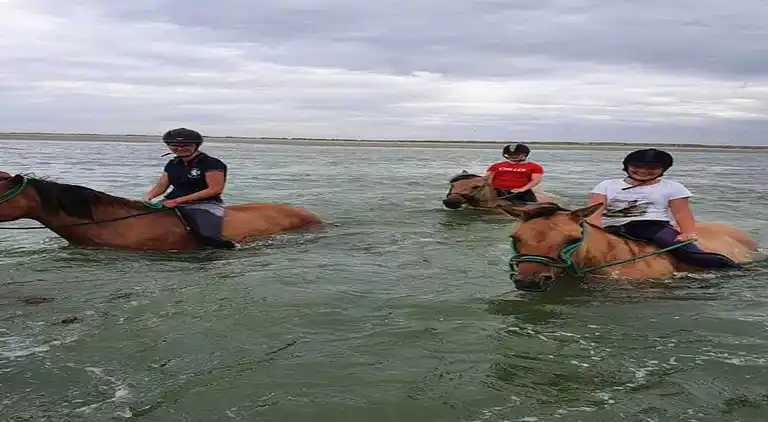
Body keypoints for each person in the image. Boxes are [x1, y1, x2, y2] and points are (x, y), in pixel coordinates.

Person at [585, 148, 739, 268]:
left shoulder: (673, 187)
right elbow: (593, 212)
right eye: (637, 166)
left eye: (652, 168)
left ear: (663, 170)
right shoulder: (606, 185)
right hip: (610, 227)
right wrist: (594, 232)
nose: (643, 171)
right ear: (626, 167)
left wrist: (688, 232)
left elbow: (681, 213)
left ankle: (732, 270)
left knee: (690, 254)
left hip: (651, 226)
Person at [144, 127, 237, 249]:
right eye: (174, 145)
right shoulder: (172, 164)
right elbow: (161, 186)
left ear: (196, 145)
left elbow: (215, 189)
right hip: (170, 202)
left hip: (204, 204)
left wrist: (178, 201)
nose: (180, 148)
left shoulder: (211, 163)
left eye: (186, 145)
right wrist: (147, 198)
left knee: (208, 236)